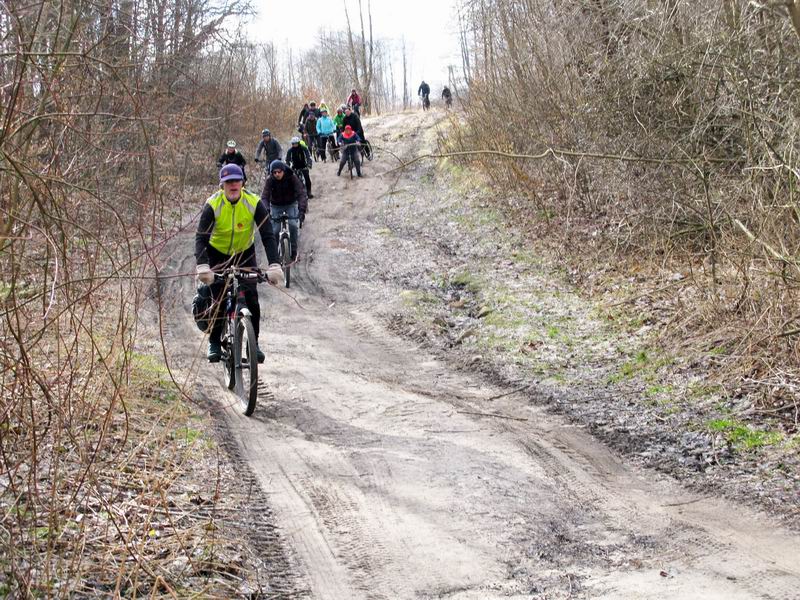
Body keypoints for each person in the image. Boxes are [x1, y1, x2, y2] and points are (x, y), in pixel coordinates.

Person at [195, 164, 283, 362]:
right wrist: (203, 266)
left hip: (244, 254)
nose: (233, 185)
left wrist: (274, 265)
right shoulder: (213, 204)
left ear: (242, 183)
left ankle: (255, 344)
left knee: (251, 297)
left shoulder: (253, 202)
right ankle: (215, 341)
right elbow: (201, 237)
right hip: (217, 254)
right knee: (217, 297)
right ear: (222, 185)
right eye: (228, 182)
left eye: (236, 180)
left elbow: (268, 235)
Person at [261, 160, 308, 261]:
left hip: (291, 204)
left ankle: (294, 251)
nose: (277, 174)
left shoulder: (292, 177)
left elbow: (301, 193)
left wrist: (301, 211)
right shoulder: (270, 180)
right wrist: (266, 210)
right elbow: (265, 197)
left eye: (279, 172)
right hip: (276, 206)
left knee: (293, 226)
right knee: (275, 230)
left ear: (283, 171)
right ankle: (275, 256)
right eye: (274, 172)